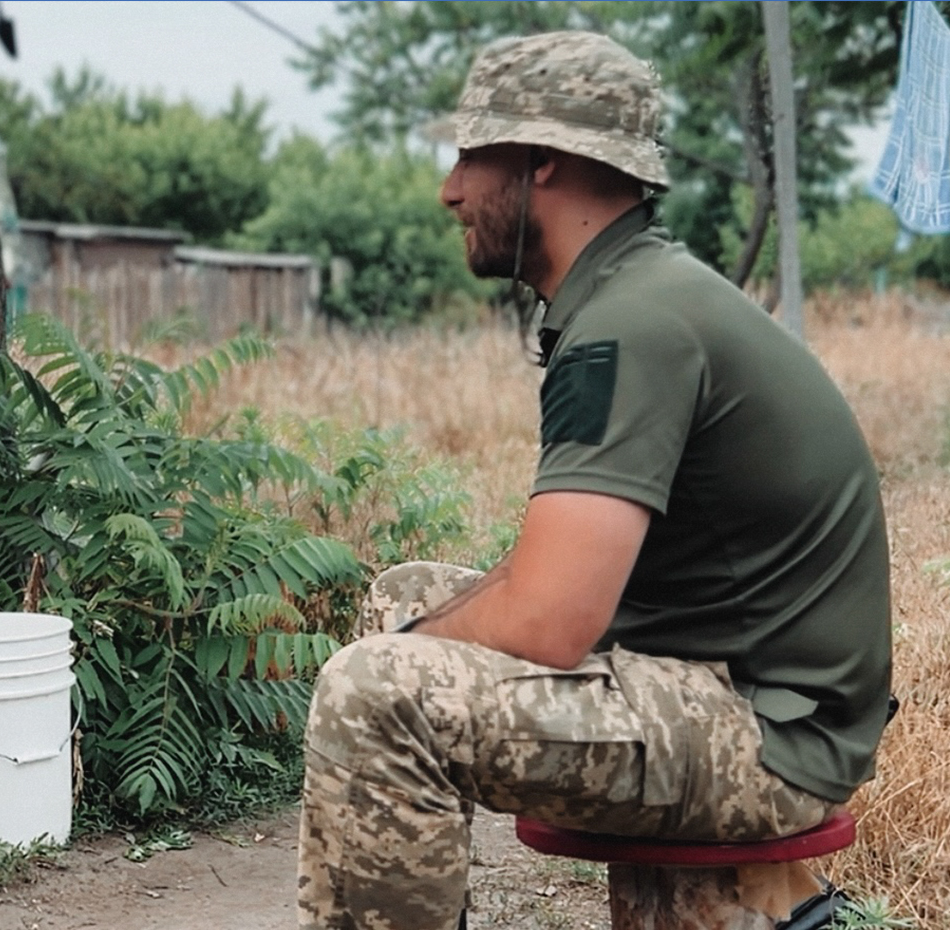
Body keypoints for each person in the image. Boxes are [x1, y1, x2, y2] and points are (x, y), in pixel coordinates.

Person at [296, 31, 892, 930]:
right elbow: (548, 584)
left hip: (767, 738)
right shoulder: (635, 297)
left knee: (371, 692)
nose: (449, 189)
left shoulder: (630, 328)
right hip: (724, 682)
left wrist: (411, 655)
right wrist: (418, 631)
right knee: (401, 602)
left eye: (469, 155)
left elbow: (551, 619)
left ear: (541, 162)